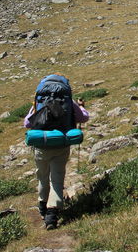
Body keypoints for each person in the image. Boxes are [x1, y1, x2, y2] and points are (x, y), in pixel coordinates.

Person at [23, 77, 89, 230]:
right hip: (61, 144)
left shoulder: (39, 101)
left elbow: (27, 123)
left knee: (42, 177)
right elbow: (83, 118)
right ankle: (52, 215)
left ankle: (42, 206)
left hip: (41, 145)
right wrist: (81, 107)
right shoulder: (68, 101)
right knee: (57, 179)